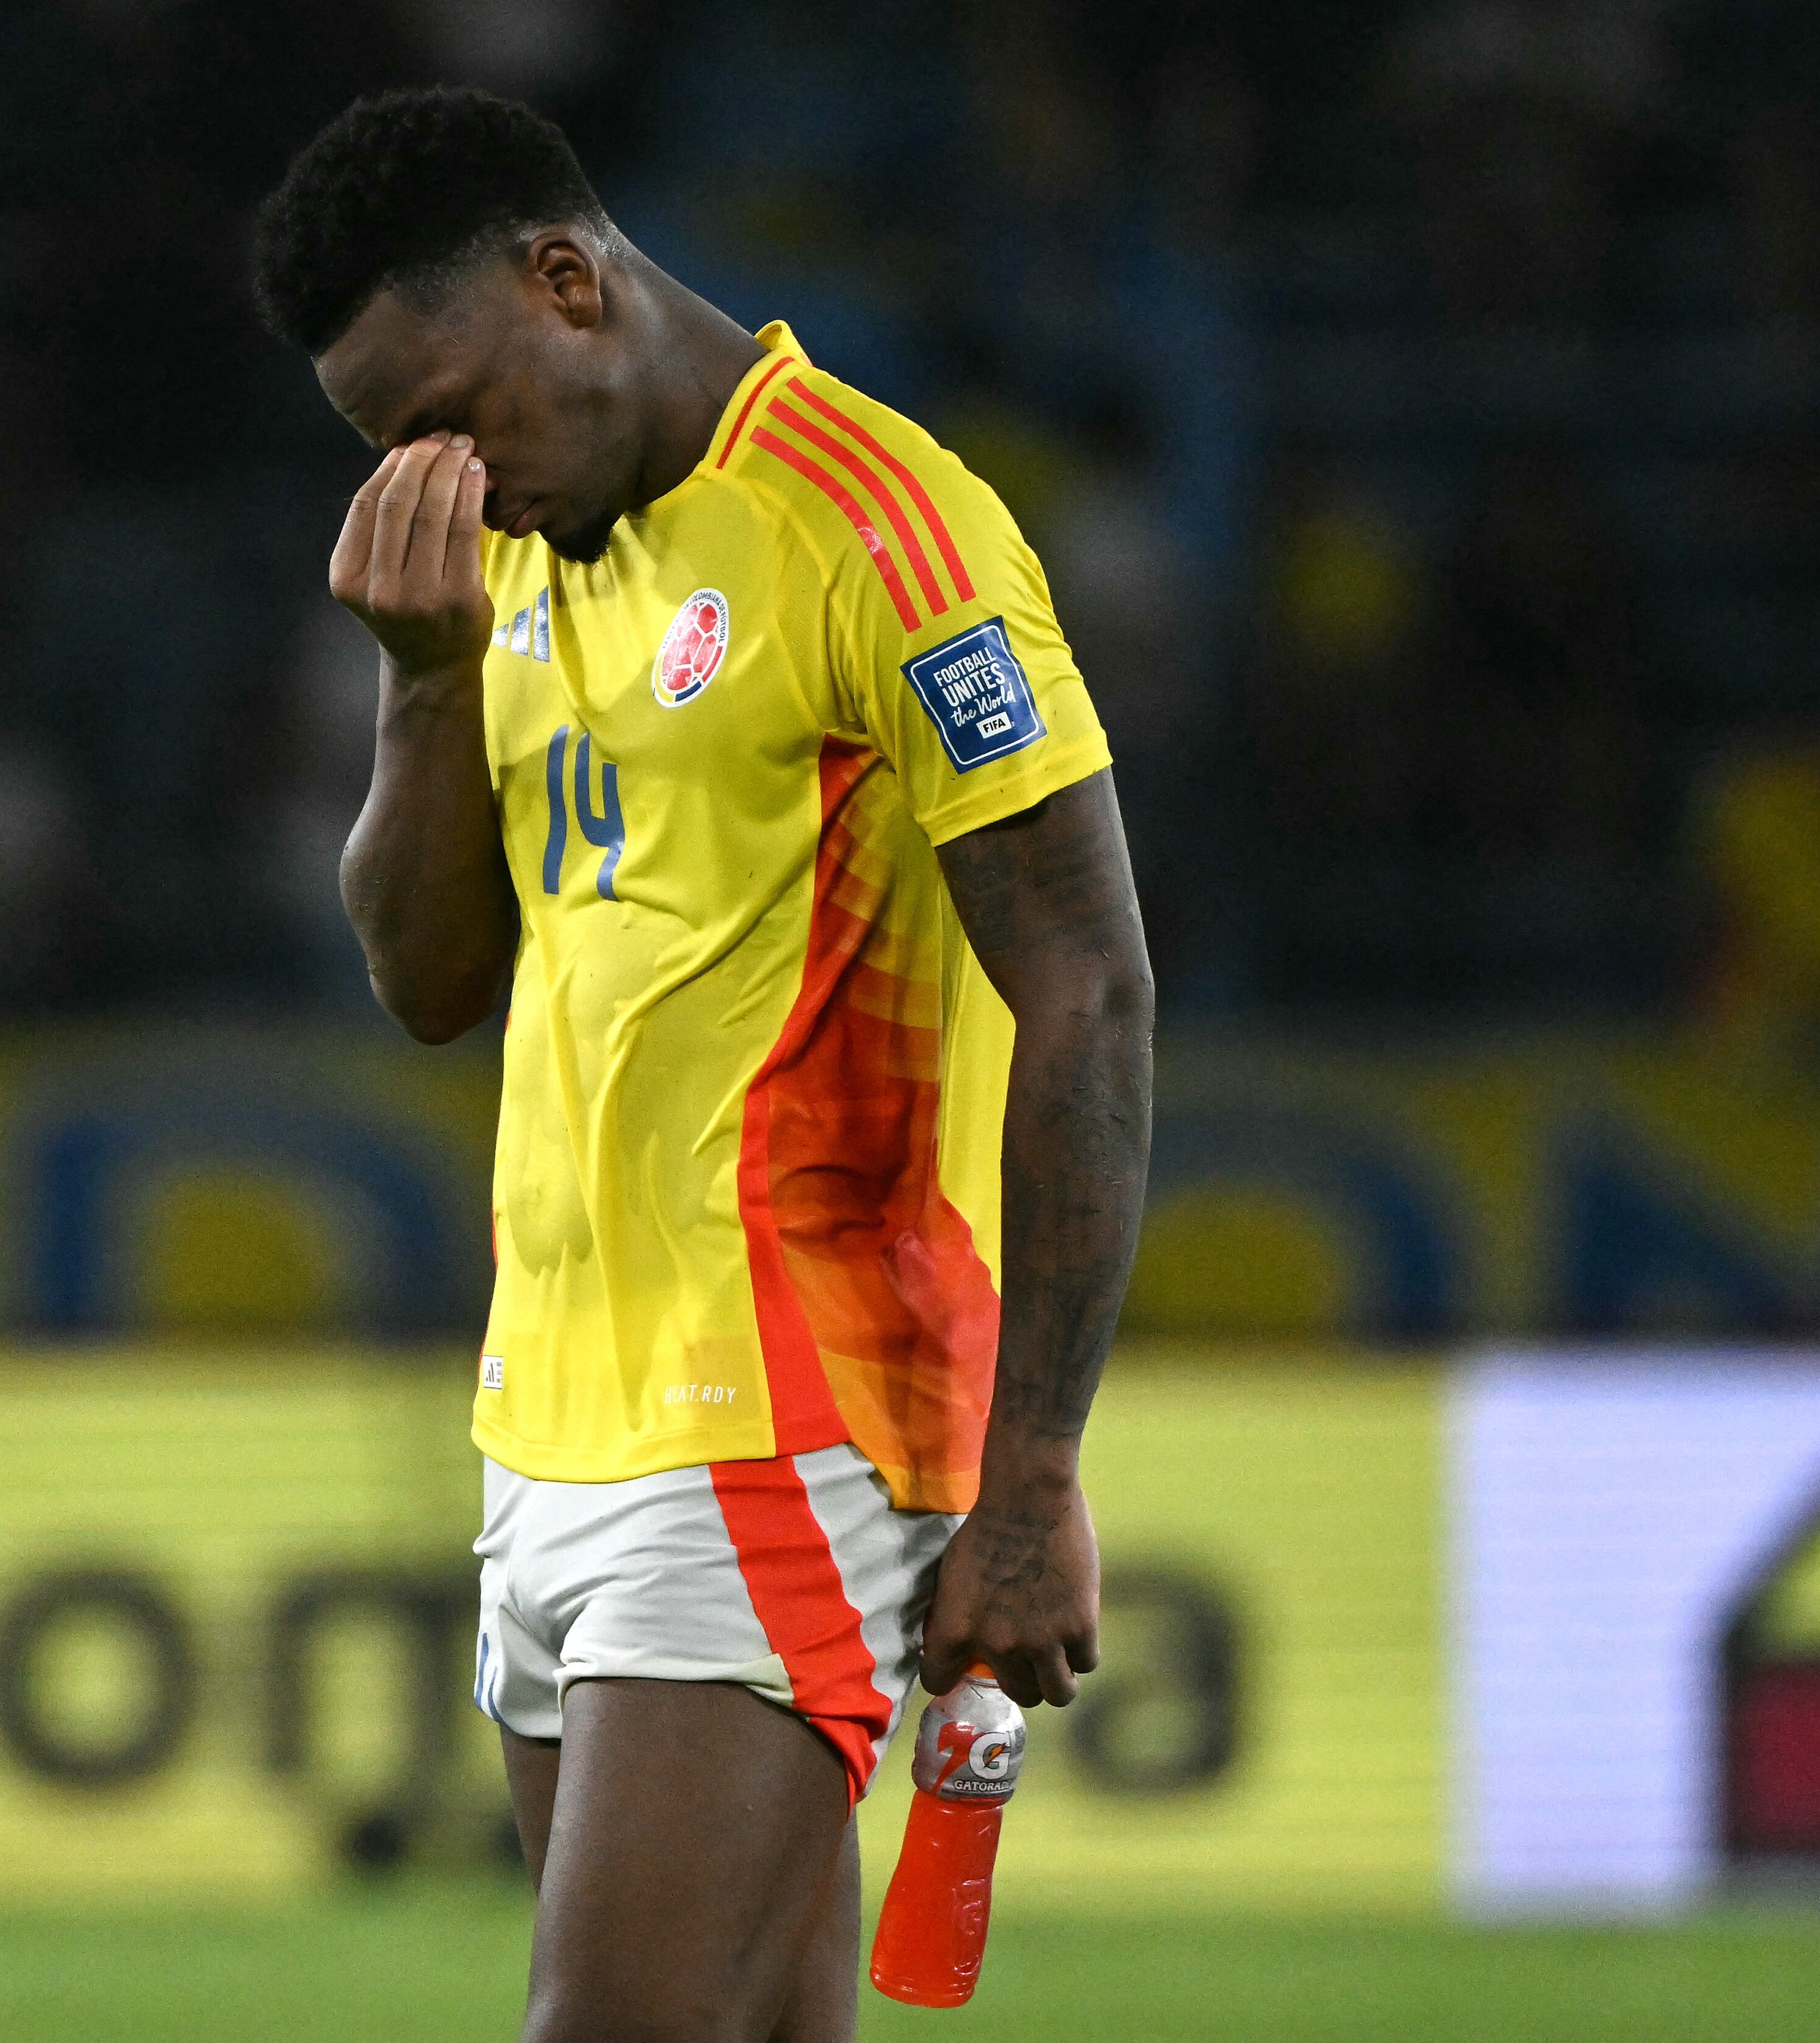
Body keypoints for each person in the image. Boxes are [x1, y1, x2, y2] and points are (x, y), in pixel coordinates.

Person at [252, 89, 1154, 2039]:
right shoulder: (518, 559)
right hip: (551, 1416)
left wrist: (1036, 1469)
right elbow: (428, 983)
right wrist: (419, 685)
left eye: (449, 420)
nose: (446, 482)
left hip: (781, 1412)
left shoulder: (877, 530)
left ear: (568, 282)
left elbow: (1089, 988)